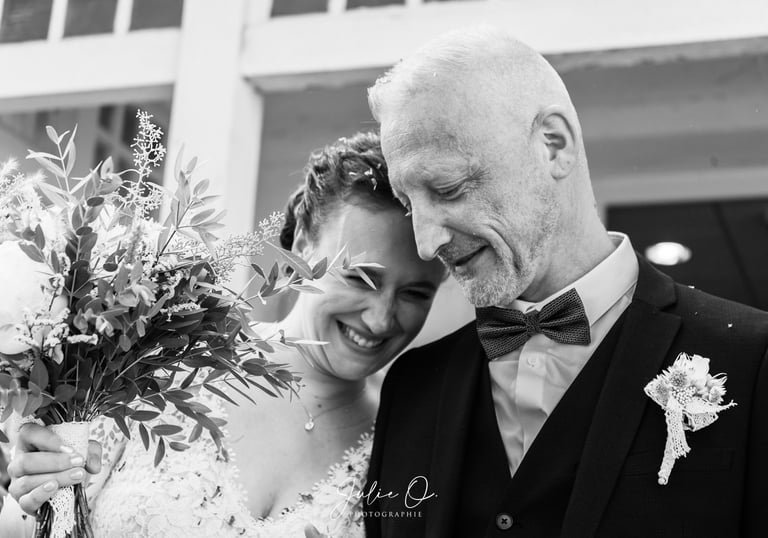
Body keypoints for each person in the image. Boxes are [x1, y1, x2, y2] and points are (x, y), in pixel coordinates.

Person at [362, 26, 768, 537]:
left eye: (448, 187)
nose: (426, 242)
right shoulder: (411, 387)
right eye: (408, 203)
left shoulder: (753, 360)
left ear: (553, 146)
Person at [2, 132, 447, 537]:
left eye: (415, 293)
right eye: (361, 278)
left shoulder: (413, 444)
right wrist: (36, 488)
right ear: (303, 246)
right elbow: (34, 521)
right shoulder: (162, 360)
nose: (381, 319)